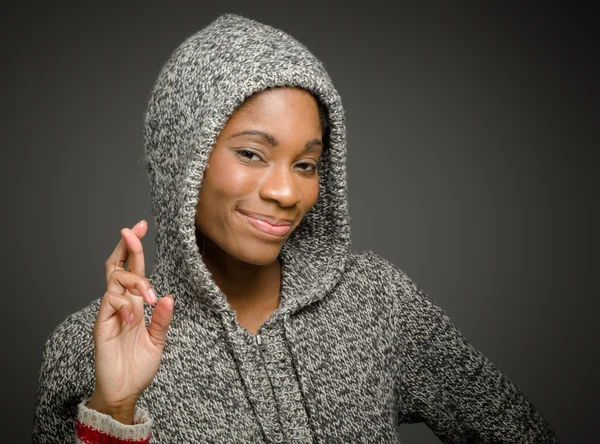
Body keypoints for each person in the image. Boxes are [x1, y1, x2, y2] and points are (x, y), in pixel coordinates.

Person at [33, 13, 560, 443]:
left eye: (306, 164)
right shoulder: (90, 347)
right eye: (251, 153)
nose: (287, 192)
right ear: (180, 161)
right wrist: (117, 409)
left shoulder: (376, 301)